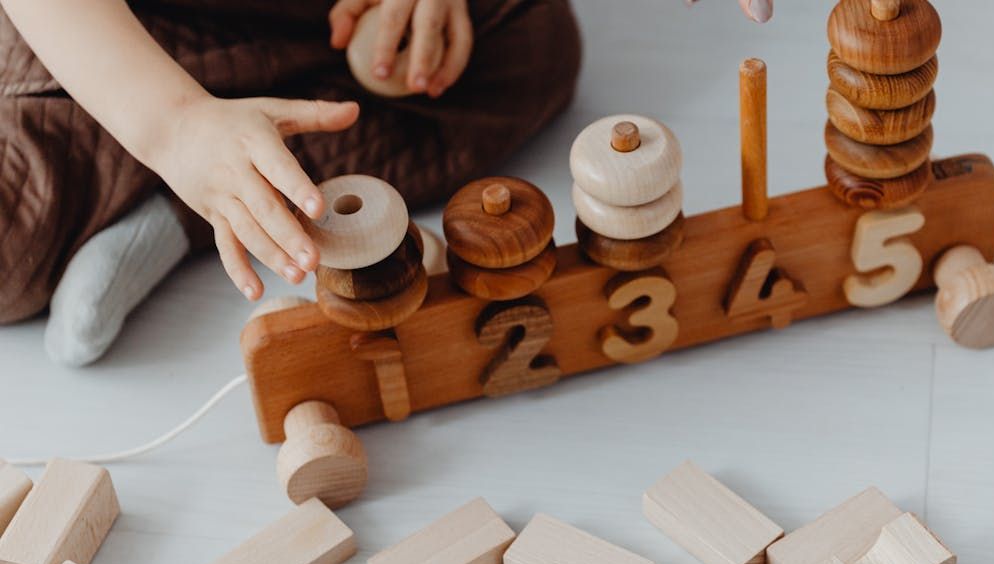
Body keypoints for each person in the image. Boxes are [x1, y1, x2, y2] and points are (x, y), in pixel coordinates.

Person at [0, 0, 769, 367]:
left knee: (534, 51)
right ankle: (197, 165)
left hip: (315, 20)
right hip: (121, 27)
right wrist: (170, 127)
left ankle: (196, 201)